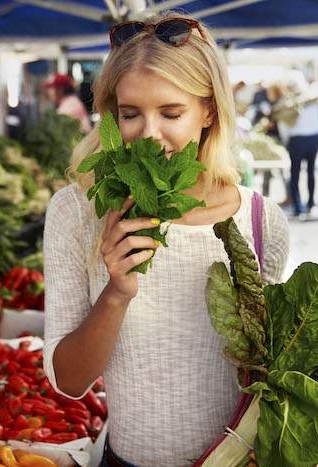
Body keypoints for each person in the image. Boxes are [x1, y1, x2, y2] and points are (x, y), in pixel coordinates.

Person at [42, 12, 290, 467]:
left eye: (171, 112)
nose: (150, 134)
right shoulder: (77, 212)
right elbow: (69, 381)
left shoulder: (260, 220)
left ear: (209, 109)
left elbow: (267, 367)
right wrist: (117, 292)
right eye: (130, 113)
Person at [283, 77, 318, 218]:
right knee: (311, 171)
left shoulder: (291, 102)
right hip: (312, 139)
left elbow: (286, 125)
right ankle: (310, 203)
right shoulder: (315, 101)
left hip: (297, 140)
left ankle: (298, 206)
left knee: (295, 173)